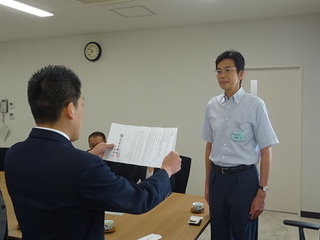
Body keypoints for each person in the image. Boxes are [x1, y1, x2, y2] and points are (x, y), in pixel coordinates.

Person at [4, 65, 181, 240]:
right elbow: (138, 199)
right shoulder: (83, 166)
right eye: (82, 105)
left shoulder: (14, 154)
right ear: (70, 110)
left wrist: (87, 156)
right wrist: (166, 170)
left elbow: (55, 178)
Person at [201, 50, 279, 240]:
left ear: (241, 74)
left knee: (243, 233)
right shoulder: (212, 105)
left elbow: (266, 150)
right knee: (218, 232)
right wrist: (207, 183)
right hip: (217, 178)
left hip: (244, 179)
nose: (222, 75)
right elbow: (209, 146)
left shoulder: (255, 105)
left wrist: (262, 191)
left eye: (228, 70)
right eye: (218, 71)